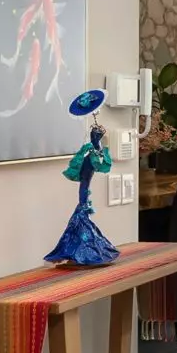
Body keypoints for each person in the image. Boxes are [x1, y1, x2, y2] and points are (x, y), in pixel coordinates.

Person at [47, 89, 120, 266]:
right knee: (85, 184)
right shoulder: (91, 153)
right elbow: (96, 158)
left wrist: (98, 140)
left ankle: (83, 207)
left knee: (86, 185)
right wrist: (97, 139)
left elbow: (99, 157)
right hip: (89, 162)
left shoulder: (94, 150)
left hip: (91, 159)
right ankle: (82, 209)